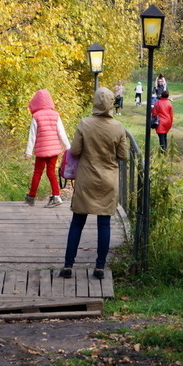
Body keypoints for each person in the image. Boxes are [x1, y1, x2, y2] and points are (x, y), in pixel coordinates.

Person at [60, 87, 127, 280]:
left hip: (86, 178)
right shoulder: (118, 127)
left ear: (95, 102)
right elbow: (123, 155)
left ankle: (68, 265)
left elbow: (75, 150)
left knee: (77, 222)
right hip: (108, 180)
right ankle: (99, 267)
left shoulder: (85, 124)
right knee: (104, 223)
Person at [24, 89, 71, 207]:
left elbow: (32, 135)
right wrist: (68, 147)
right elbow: (61, 132)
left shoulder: (36, 116)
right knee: (51, 172)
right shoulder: (55, 115)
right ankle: (56, 196)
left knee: (37, 172)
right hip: (54, 150)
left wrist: (28, 152)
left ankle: (31, 196)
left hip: (41, 151)